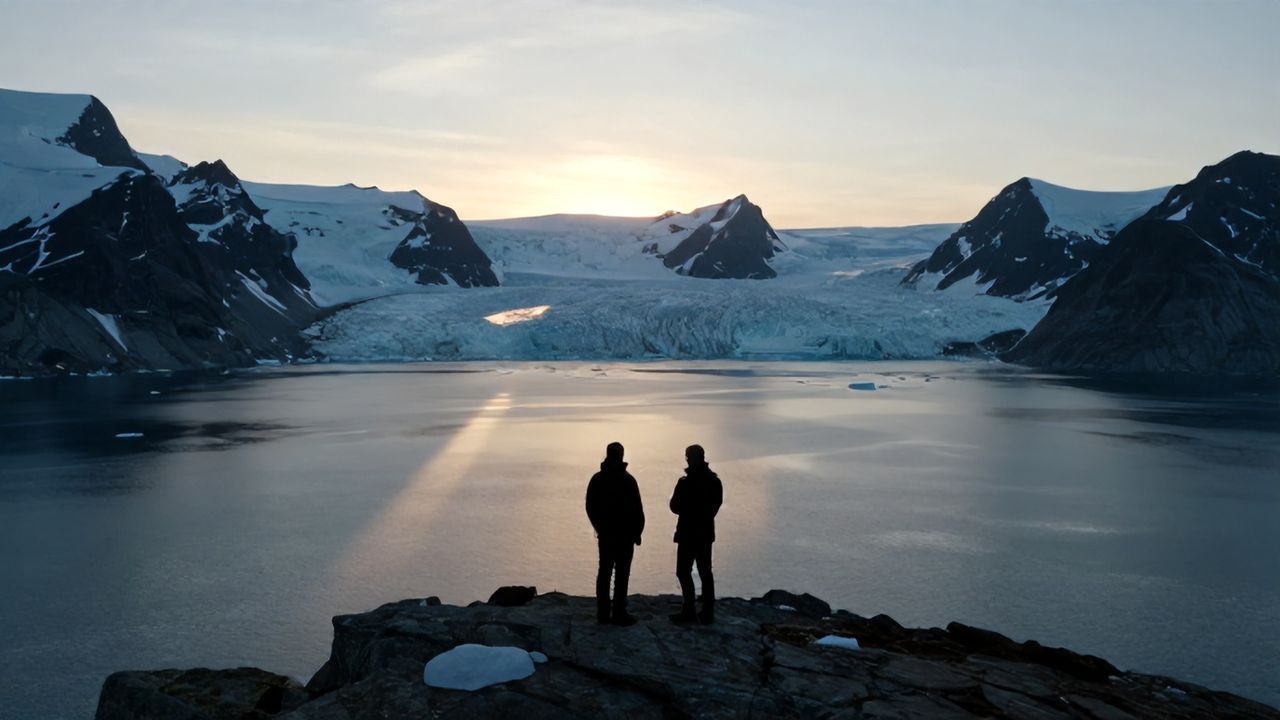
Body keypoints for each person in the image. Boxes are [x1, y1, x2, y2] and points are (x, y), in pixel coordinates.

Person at [585, 442, 645, 626]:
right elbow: (638, 510)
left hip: (607, 535)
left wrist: (600, 527)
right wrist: (637, 532)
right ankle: (619, 612)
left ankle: (603, 613)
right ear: (621, 456)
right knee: (621, 573)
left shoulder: (597, 479)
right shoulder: (628, 480)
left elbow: (590, 507)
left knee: (604, 572)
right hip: (624, 536)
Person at [668, 444, 723, 625]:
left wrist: (689, 507)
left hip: (689, 533)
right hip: (703, 534)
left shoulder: (685, 482)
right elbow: (712, 508)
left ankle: (690, 610)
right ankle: (705, 612)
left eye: (688, 457)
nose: (687, 460)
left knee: (685, 571)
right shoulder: (714, 481)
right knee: (704, 572)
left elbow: (675, 506)